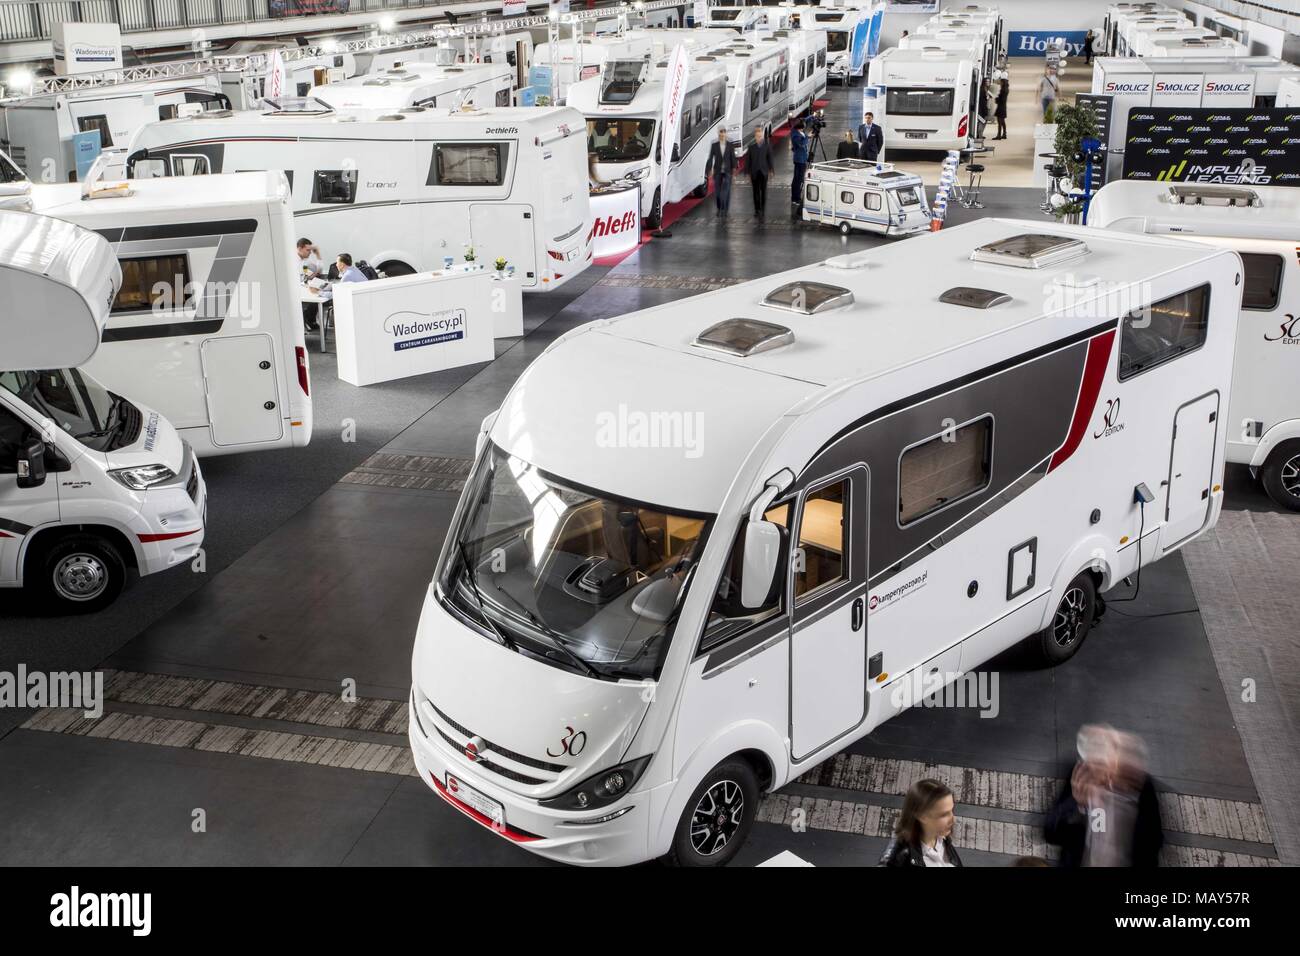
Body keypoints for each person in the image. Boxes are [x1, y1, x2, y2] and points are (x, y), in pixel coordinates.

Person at [1045, 724, 1164, 868]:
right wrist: (1078, 806)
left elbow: (1154, 842)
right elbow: (1050, 833)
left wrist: (1130, 803)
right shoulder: (1079, 777)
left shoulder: (1143, 787)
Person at [879, 779, 963, 867]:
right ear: (922, 816)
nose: (953, 819)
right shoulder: (899, 856)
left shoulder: (943, 841)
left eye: (952, 810)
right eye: (944, 815)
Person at [704, 127, 738, 217]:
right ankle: (719, 208)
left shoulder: (730, 144)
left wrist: (734, 170)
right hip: (718, 171)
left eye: (724, 133)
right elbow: (710, 158)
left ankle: (725, 209)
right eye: (720, 133)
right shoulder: (714, 145)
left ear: (725, 134)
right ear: (718, 134)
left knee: (726, 191)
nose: (722, 135)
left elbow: (733, 158)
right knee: (718, 192)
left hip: (728, 171)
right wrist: (709, 169)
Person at [748, 126, 775, 220]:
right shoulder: (751, 147)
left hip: (764, 172)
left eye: (760, 136)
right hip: (754, 173)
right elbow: (748, 161)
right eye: (757, 136)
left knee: (763, 192)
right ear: (755, 137)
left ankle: (762, 210)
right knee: (755, 192)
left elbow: (770, 158)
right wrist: (748, 173)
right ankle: (757, 210)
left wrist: (771, 170)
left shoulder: (767, 146)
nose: (758, 138)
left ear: (762, 136)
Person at [297, 238, 324, 331]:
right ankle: (305, 321)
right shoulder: (291, 260)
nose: (310, 253)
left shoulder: (305, 261)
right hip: (295, 291)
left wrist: (318, 254)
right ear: (300, 248)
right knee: (314, 297)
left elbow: (318, 270)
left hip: (303, 286)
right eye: (307, 250)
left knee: (317, 296)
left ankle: (310, 321)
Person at [789, 119, 809, 218]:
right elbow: (801, 144)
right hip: (799, 159)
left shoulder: (799, 132)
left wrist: (813, 117)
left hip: (802, 158)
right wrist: (808, 137)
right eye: (803, 126)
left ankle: (796, 197)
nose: (804, 127)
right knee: (798, 179)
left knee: (798, 179)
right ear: (800, 127)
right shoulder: (795, 135)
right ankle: (795, 198)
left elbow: (805, 120)